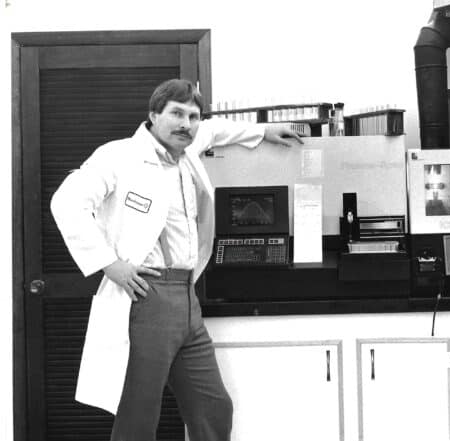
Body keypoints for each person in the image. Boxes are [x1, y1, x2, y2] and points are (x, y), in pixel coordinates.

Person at [50, 78, 303, 441]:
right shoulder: (118, 156)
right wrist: (110, 263)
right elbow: (66, 203)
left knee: (213, 408)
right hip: (146, 298)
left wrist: (264, 130)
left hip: (187, 299)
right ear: (154, 115)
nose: (187, 123)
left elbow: (217, 131)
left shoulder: (189, 146)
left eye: (193, 116)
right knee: (138, 417)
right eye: (177, 114)